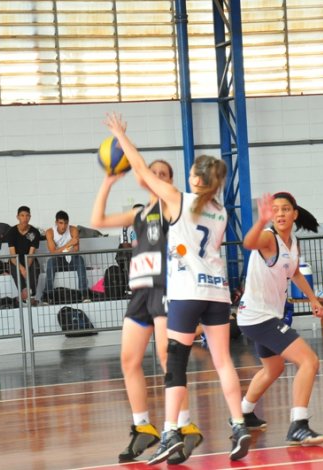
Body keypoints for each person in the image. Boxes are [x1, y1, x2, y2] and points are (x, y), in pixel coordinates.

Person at [105, 112, 251, 465]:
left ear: (196, 178)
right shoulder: (221, 211)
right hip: (217, 292)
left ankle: (170, 431)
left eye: (191, 174)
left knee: (175, 363)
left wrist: (121, 136)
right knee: (222, 361)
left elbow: (141, 168)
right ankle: (238, 424)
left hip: (187, 291)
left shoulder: (177, 199)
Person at [90, 161, 202, 464]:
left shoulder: (173, 208)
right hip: (140, 292)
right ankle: (143, 427)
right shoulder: (139, 213)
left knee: (168, 359)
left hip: (166, 287)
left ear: (171, 181)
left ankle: (184, 426)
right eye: (154, 173)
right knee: (129, 360)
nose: (158, 177)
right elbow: (97, 219)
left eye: (164, 174)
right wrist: (108, 181)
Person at [237, 192, 323, 446]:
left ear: (295, 214)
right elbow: (248, 242)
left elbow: (295, 272)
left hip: (263, 315)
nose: (280, 213)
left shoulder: (293, 243)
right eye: (275, 209)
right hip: (259, 316)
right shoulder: (269, 238)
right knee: (309, 361)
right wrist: (260, 220)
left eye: (285, 209)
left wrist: (313, 299)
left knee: (274, 368)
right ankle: (298, 425)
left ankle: (243, 414)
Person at [44, 211, 89, 303]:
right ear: (56, 223)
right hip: (58, 261)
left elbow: (76, 250)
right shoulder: (50, 232)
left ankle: (84, 293)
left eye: (65, 223)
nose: (63, 226)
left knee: (79, 259)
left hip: (72, 259)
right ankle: (47, 295)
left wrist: (59, 250)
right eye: (61, 223)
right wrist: (69, 244)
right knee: (50, 262)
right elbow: (52, 253)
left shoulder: (73, 230)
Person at [7, 206, 41, 303]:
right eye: (22, 215)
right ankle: (24, 295)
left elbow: (31, 253)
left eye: (27, 215)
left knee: (35, 268)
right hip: (15, 259)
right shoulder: (12, 232)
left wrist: (26, 267)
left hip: (29, 258)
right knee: (16, 271)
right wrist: (22, 268)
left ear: (30, 217)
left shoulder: (34, 232)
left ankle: (31, 295)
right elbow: (12, 255)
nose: (25, 218)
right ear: (17, 217)